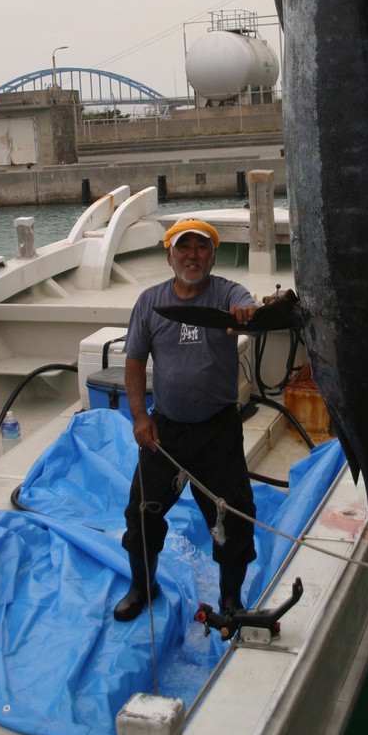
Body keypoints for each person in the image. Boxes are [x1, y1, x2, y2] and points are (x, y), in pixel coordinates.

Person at [115, 218, 257, 622]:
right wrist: (139, 418)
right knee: (142, 512)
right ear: (169, 255)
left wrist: (245, 312)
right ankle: (143, 587)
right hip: (166, 431)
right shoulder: (150, 302)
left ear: (213, 256)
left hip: (218, 430)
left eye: (201, 248)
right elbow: (135, 362)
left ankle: (231, 601)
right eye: (183, 247)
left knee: (234, 514)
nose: (191, 255)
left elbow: (246, 300)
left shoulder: (228, 293)